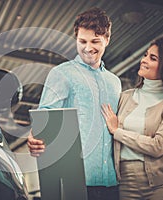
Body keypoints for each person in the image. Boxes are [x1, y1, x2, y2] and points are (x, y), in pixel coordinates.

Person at [27, 7, 121, 200]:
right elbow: (45, 114)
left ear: (107, 40)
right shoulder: (62, 74)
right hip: (76, 182)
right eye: (82, 41)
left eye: (95, 41)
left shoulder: (115, 82)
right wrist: (33, 136)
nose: (88, 48)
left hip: (113, 183)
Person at [101, 37, 163, 199]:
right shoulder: (124, 97)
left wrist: (118, 132)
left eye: (153, 58)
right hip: (127, 182)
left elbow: (157, 146)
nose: (144, 60)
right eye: (145, 55)